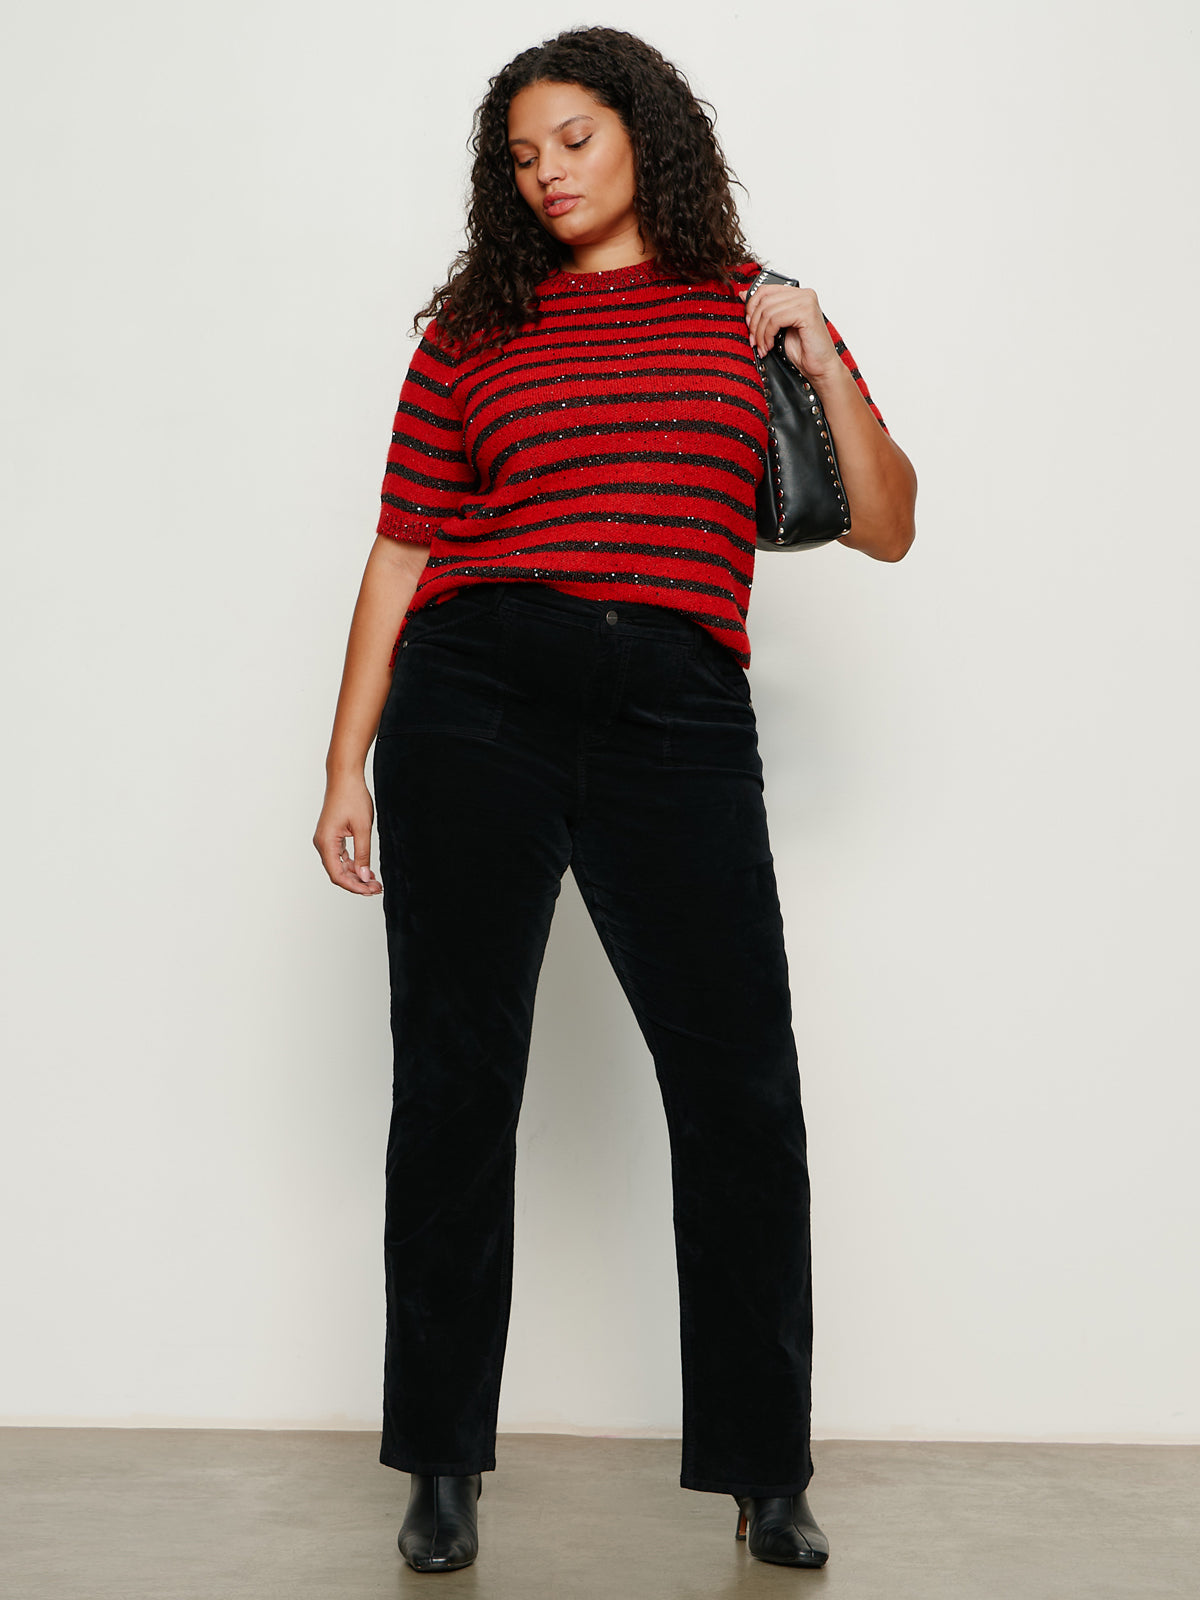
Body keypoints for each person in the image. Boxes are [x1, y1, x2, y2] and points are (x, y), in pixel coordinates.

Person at [313, 24, 916, 1576]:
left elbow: (891, 523)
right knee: (454, 1085)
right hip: (475, 699)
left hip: (677, 711)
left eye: (573, 136)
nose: (549, 172)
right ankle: (440, 1463)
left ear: (643, 132)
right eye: (522, 154)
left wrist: (819, 341)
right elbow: (399, 550)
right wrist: (341, 769)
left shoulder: (745, 308)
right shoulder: (473, 323)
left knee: (739, 1094)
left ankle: (764, 1474)